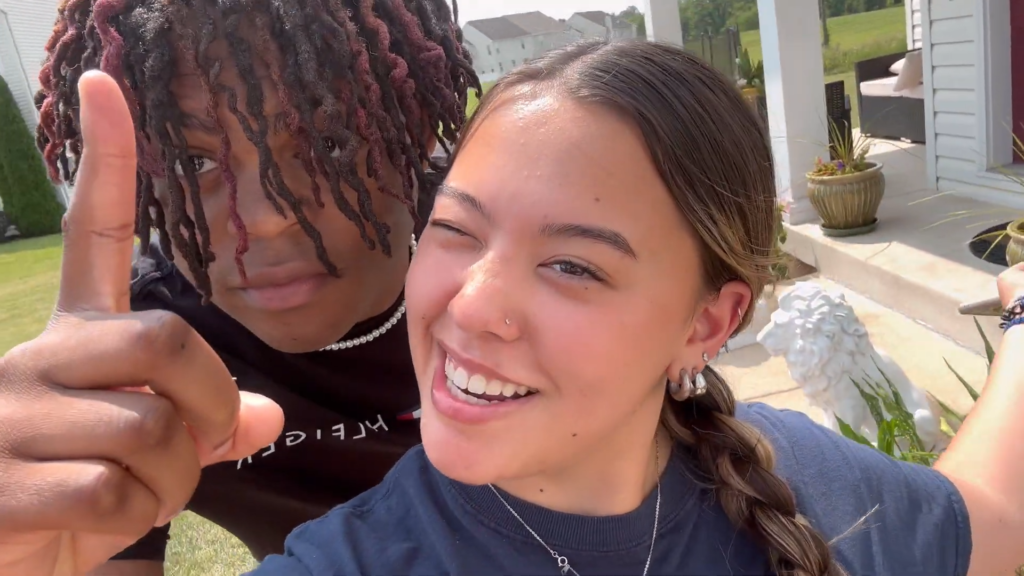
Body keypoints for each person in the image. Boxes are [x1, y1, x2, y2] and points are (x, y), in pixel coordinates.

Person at [252, 40, 1024, 576]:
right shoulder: (353, 560)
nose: (475, 301)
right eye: (454, 228)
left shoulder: (793, 476)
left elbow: (987, 519)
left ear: (707, 326)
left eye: (572, 265)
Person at [0, 0, 478, 574]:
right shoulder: (143, 345)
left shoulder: (493, 258)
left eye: (326, 145)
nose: (265, 217)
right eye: (196, 161)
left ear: (418, 133)